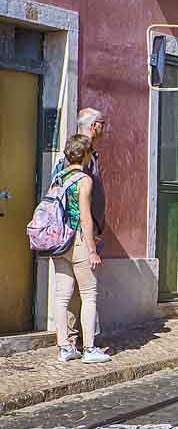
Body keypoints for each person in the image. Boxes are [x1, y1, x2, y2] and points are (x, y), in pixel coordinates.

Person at [51, 107, 106, 350]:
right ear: (94, 125)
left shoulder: (89, 153)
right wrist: (91, 242)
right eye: (102, 123)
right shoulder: (77, 157)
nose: (104, 127)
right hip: (78, 234)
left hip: (77, 233)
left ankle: (69, 344)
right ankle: (78, 342)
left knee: (67, 293)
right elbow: (81, 208)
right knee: (83, 293)